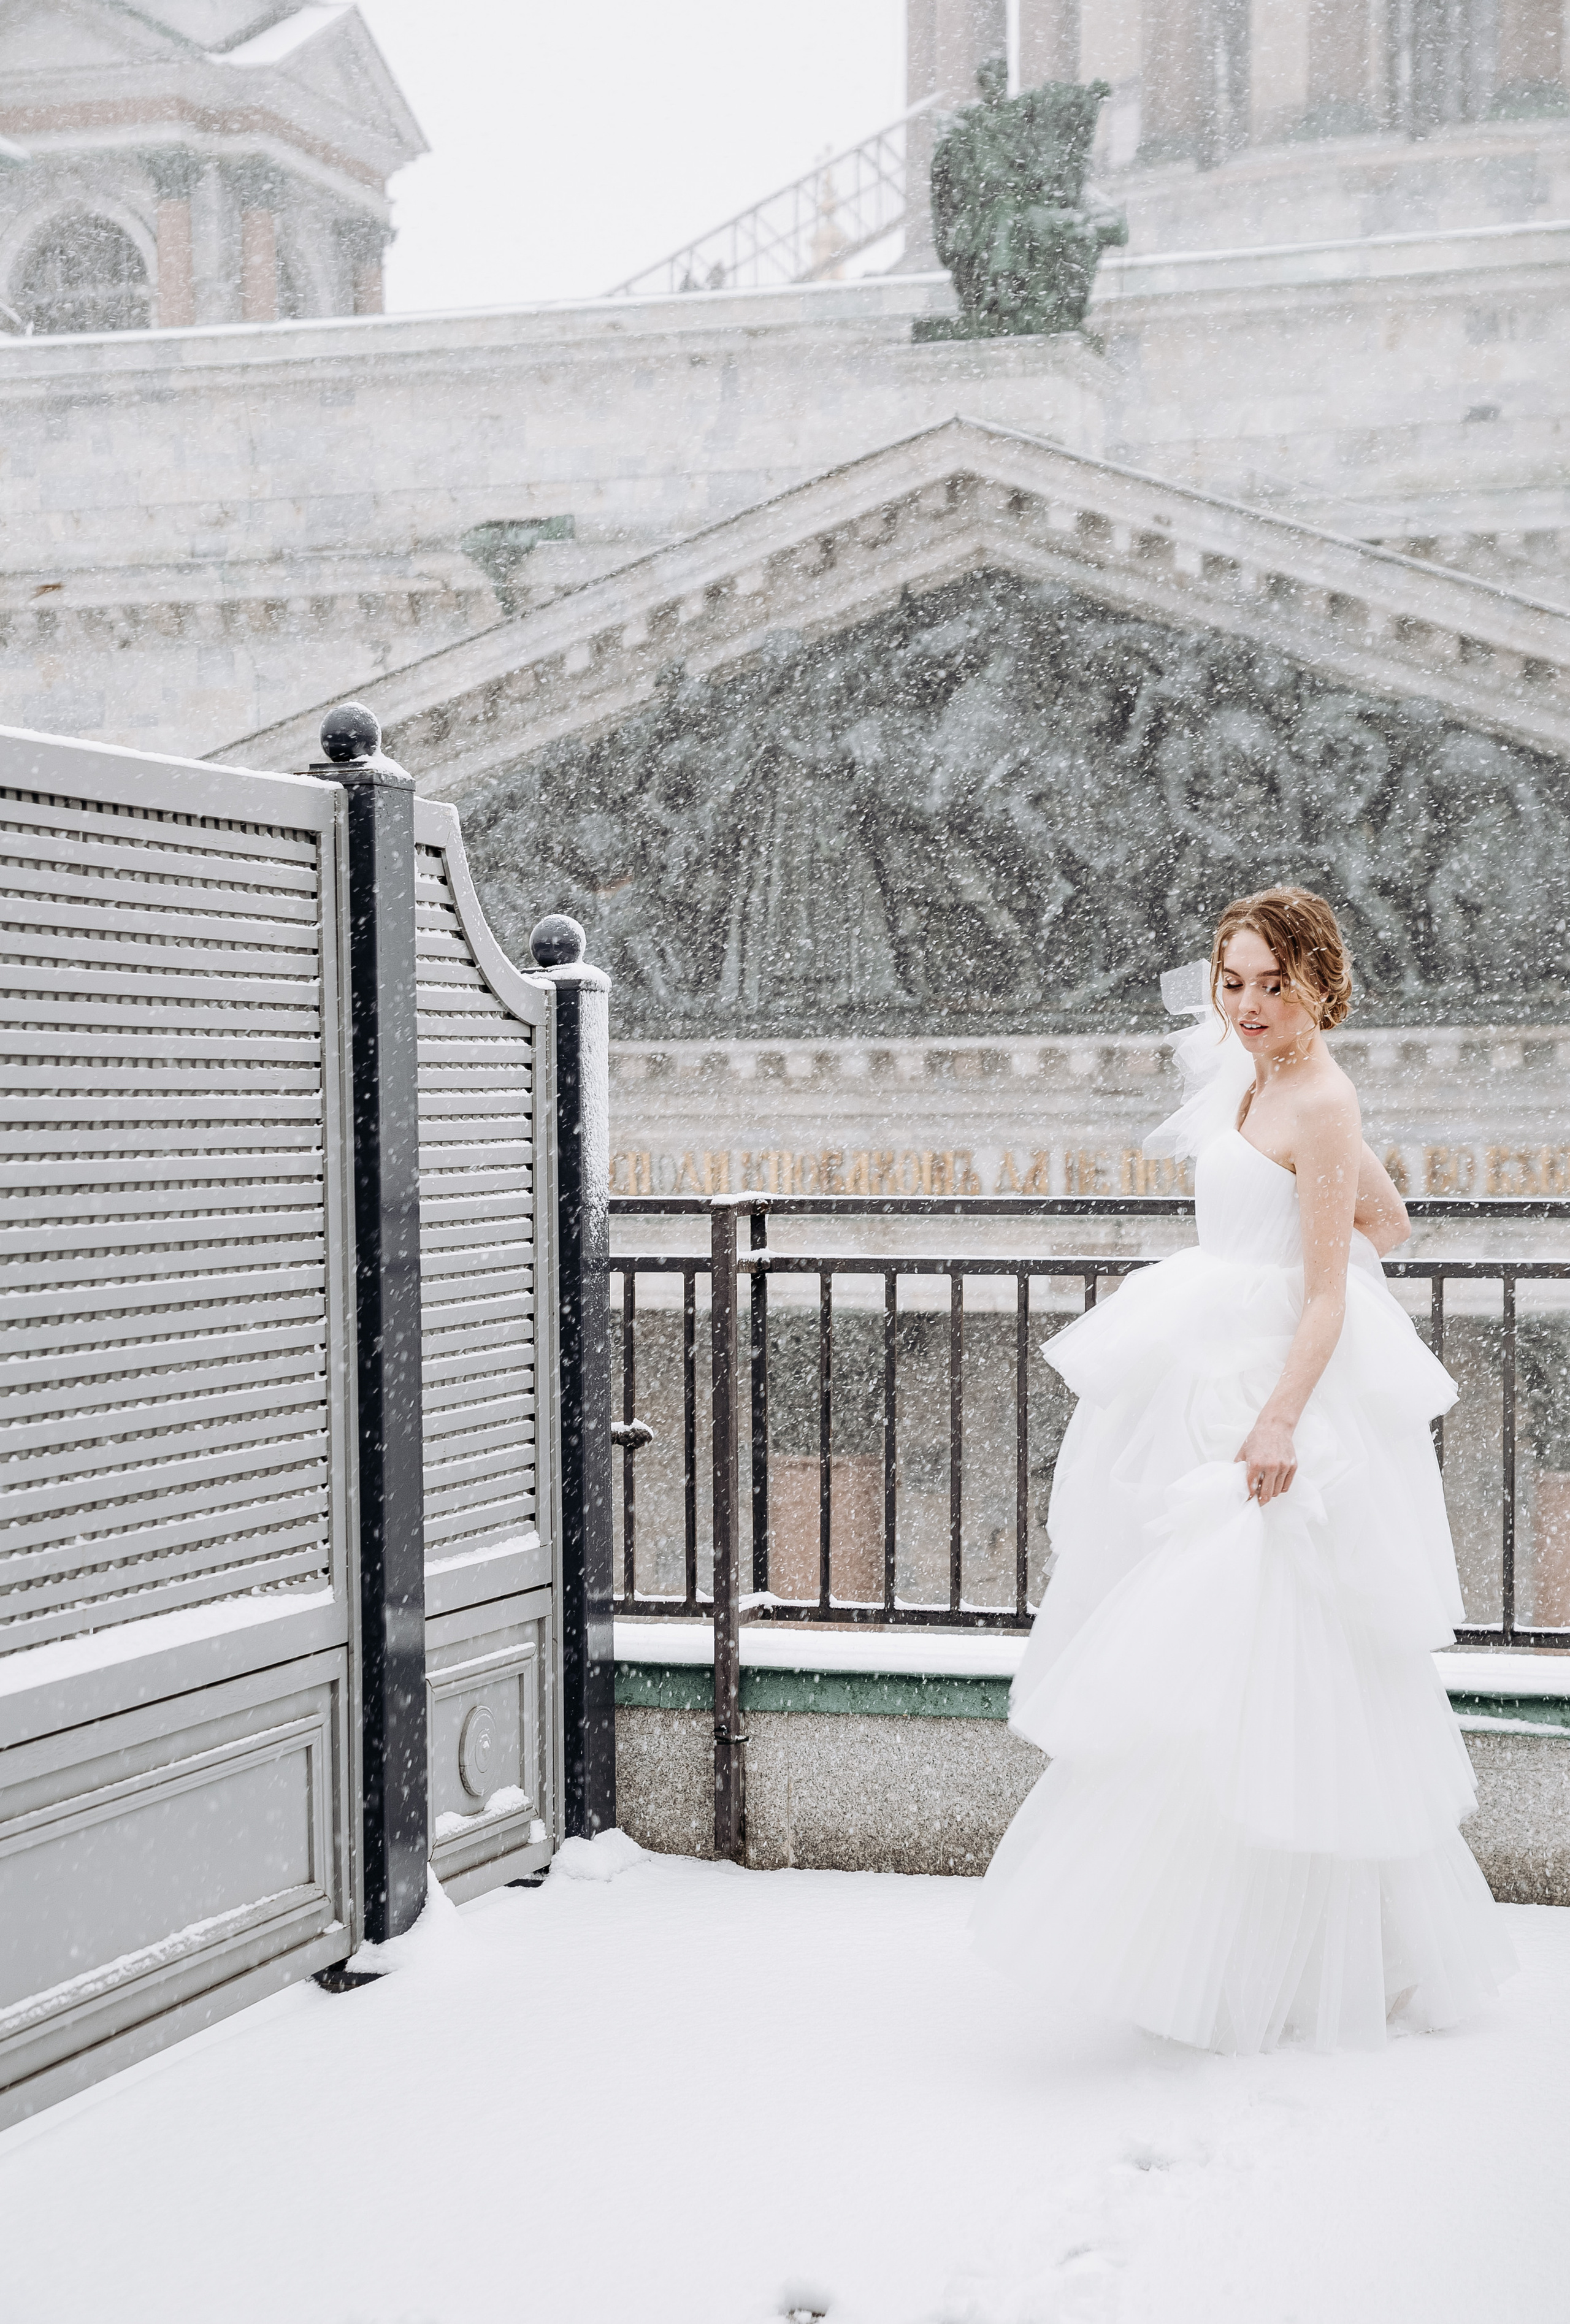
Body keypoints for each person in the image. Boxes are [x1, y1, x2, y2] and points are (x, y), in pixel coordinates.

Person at [971, 885, 1517, 2053]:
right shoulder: (1254, 1074)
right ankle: (1266, 1947)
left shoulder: (1320, 1096)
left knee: (1273, 1656)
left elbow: (1333, 1287)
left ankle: (1283, 1958)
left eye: (1275, 981)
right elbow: (1391, 1220)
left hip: (1266, 1393)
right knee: (1221, 1658)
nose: (1251, 1003)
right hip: (1214, 1349)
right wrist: (1264, 1266)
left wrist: (1278, 1413)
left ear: (1321, 980)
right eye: (1235, 980)